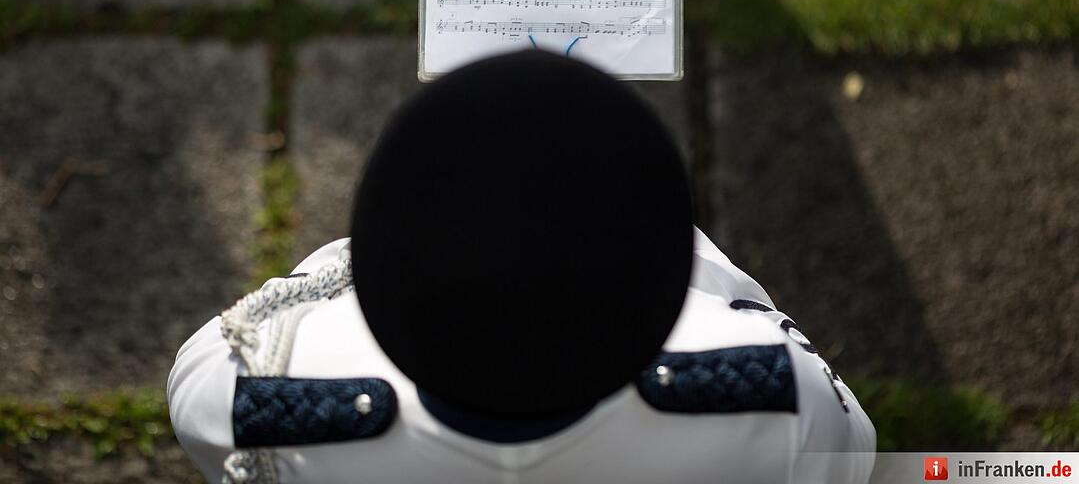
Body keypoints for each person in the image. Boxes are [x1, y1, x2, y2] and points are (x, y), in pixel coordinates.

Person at [168, 50, 876, 484]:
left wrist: (414, 230)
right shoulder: (769, 399)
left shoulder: (259, 390)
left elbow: (213, 364)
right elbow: (854, 453)